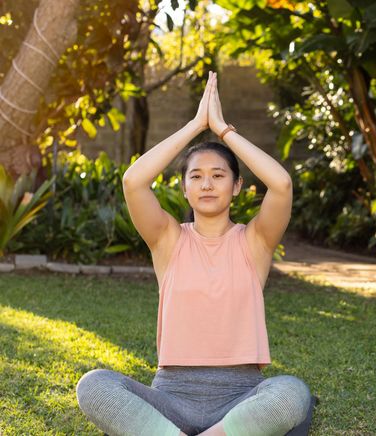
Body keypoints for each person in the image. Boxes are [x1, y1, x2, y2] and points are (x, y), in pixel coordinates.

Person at [76, 71, 314, 436]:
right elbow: (133, 181)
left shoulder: (256, 241)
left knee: (292, 393)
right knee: (94, 384)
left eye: (218, 176)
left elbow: (281, 184)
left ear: (237, 187)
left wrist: (222, 130)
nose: (206, 184)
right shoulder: (167, 240)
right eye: (196, 176)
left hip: (241, 395)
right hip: (172, 397)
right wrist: (194, 126)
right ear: (184, 188)